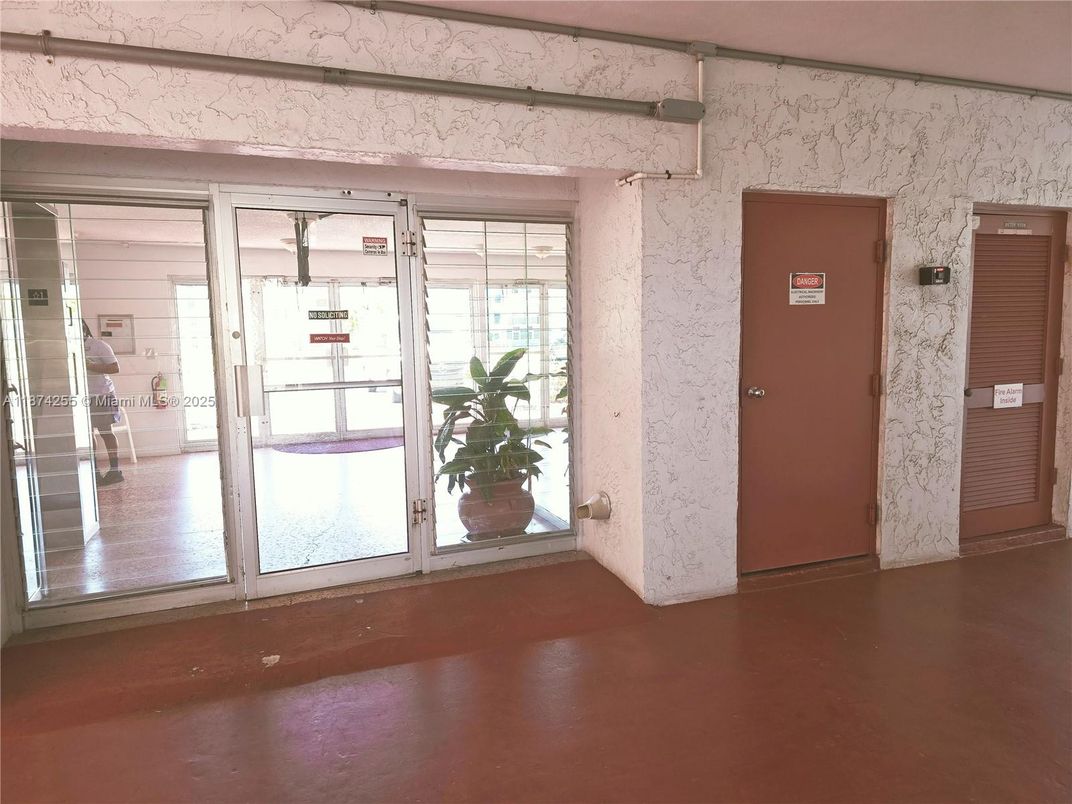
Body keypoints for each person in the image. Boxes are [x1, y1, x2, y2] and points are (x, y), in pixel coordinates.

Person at [83, 320, 124, 486]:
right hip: (82, 397)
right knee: (88, 434)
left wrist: (91, 366)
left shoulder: (98, 345)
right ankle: (95, 473)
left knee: (105, 432)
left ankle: (115, 471)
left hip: (102, 395)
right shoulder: (69, 347)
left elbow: (115, 368)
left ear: (83, 328)